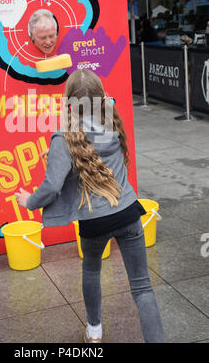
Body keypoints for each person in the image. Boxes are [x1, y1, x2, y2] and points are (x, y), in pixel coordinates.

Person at [15, 69, 165, 344]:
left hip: (94, 221)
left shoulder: (64, 136)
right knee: (143, 288)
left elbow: (51, 186)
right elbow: (95, 142)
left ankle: (94, 330)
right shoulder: (111, 119)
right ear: (100, 97)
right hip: (129, 213)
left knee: (92, 270)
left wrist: (29, 202)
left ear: (68, 102)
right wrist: (60, 152)